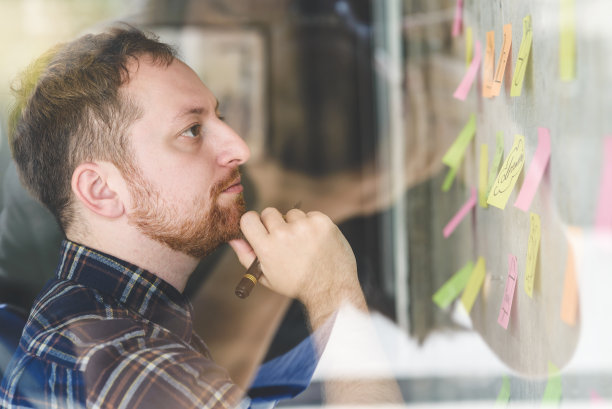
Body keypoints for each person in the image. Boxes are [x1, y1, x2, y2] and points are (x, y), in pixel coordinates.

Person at [0, 25, 373, 408]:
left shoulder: (105, 325)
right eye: (192, 130)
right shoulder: (127, 368)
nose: (239, 148)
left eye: (219, 117)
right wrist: (333, 293)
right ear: (102, 190)